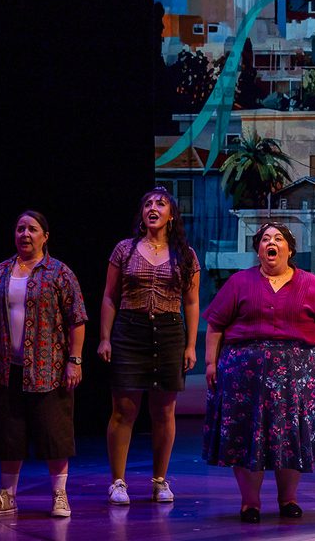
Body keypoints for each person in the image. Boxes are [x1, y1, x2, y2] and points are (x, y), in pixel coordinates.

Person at [203, 222, 315, 522]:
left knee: (290, 436)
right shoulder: (240, 282)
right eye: (265, 239)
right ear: (258, 250)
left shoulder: (311, 284)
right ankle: (250, 502)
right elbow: (215, 323)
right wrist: (211, 363)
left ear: (289, 249)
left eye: (278, 238)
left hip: (297, 377)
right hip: (245, 378)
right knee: (247, 435)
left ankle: (288, 499)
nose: (272, 243)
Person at [0, 211, 88, 519]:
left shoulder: (59, 273)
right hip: (6, 368)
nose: (25, 234)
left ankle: (59, 495)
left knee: (55, 433)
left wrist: (74, 360)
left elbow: (77, 318)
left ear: (45, 236)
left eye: (32, 229)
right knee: (8, 434)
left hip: (49, 368)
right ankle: (7, 496)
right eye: (20, 228)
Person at [96, 187, 200, 505]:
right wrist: (104, 337)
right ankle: (118, 481)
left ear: (172, 215)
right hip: (130, 329)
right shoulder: (124, 250)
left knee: (164, 410)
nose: (153, 208)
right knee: (124, 409)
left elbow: (192, 301)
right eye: (148, 204)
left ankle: (159, 481)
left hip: (169, 331)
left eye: (161, 204)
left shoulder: (185, 254)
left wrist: (190, 346)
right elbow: (110, 296)